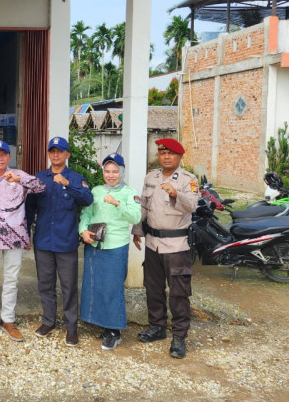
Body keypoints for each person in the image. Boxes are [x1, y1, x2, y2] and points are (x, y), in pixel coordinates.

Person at [132, 138, 199, 359]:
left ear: (180, 157)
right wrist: (137, 230)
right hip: (152, 243)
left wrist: (175, 194)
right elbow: (143, 204)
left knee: (179, 293)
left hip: (177, 245)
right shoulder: (151, 177)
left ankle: (179, 336)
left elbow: (192, 205)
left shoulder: (188, 180)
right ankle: (157, 327)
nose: (166, 157)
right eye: (162, 153)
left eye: (171, 154)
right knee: (153, 288)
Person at [0, 140, 45, 342]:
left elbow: (41, 187)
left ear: (9, 157)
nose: (0, 158)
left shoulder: (18, 175)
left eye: (4, 154)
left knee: (11, 280)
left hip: (16, 238)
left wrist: (20, 179)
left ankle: (8, 319)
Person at [25, 137, 93, 346]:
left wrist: (67, 184)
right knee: (45, 284)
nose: (56, 155)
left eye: (60, 151)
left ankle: (71, 327)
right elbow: (30, 208)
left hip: (66, 242)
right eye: (52, 151)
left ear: (67, 155)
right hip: (44, 240)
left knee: (69, 286)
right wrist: (26, 234)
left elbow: (87, 199)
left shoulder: (75, 178)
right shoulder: (39, 179)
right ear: (48, 154)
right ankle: (49, 321)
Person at [79, 153, 141, 350]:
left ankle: (114, 330)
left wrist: (117, 203)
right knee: (95, 284)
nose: (111, 175)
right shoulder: (96, 191)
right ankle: (100, 323)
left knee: (112, 287)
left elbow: (135, 217)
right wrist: (83, 230)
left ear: (122, 172)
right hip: (95, 244)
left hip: (116, 245)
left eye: (115, 171)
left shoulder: (130, 193)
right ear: (103, 172)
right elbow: (86, 213)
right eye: (107, 171)